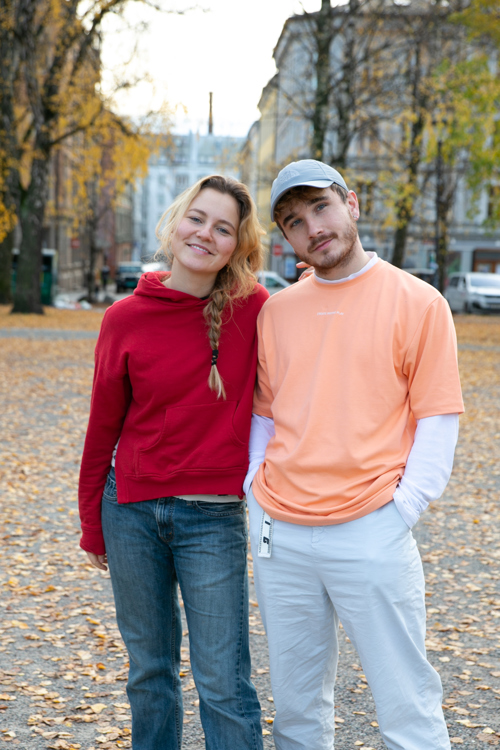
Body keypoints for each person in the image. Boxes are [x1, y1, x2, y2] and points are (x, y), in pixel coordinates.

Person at [243, 159, 464, 750]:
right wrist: (253, 492)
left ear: (352, 203)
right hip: (280, 533)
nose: (312, 227)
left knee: (407, 704)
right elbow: (264, 412)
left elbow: (437, 418)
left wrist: (402, 510)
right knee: (295, 708)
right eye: (293, 221)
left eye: (321, 207)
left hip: (372, 527)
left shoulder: (418, 302)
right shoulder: (276, 311)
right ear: (286, 240)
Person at [78, 175, 268, 750]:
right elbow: (102, 430)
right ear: (176, 221)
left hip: (212, 520)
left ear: (237, 245)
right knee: (150, 675)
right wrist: (93, 524)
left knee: (223, 683)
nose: (205, 234)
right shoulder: (124, 319)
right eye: (197, 218)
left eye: (223, 228)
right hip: (130, 514)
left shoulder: (257, 311)